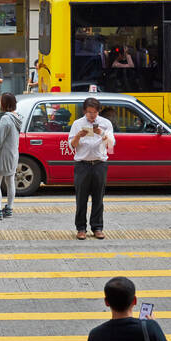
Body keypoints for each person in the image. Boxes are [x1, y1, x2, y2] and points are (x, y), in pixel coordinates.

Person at [70, 96, 116, 240]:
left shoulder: (105, 123)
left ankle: (97, 227)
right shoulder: (78, 124)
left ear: (98, 111)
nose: (92, 115)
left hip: (99, 164)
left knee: (98, 197)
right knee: (81, 198)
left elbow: (111, 144)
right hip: (82, 164)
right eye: (89, 112)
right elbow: (72, 145)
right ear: (84, 111)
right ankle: (81, 228)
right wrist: (79, 135)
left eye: (94, 112)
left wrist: (101, 133)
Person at [0, 92, 24, 220]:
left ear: (4, 103)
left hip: (3, 155)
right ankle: (9, 208)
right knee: (10, 181)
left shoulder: (5, 119)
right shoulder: (17, 117)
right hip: (14, 154)